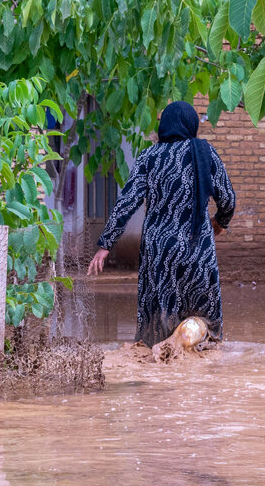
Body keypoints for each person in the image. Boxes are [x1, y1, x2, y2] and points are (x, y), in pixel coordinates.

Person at [87, 101, 236, 347]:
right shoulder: (205, 152)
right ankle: (195, 362)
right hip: (197, 248)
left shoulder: (149, 156)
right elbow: (228, 198)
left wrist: (106, 244)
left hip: (159, 251)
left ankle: (160, 368)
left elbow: (127, 202)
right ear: (192, 125)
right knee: (206, 323)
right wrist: (220, 222)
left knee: (156, 326)